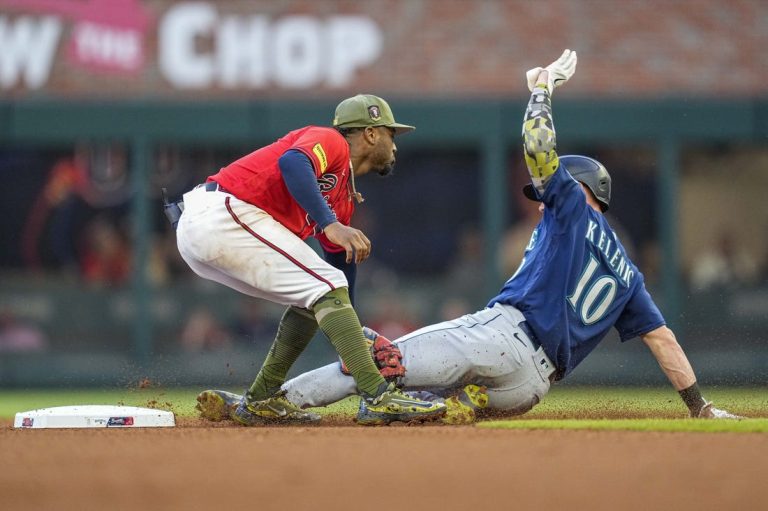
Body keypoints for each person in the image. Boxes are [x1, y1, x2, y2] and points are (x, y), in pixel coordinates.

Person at [195, 51, 740, 424]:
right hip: (531, 388)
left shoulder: (572, 205)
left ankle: (268, 402)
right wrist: (699, 406)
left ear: (579, 188)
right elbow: (664, 342)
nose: (541, 202)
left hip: (501, 335)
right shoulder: (629, 273)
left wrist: (541, 92)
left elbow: (538, 150)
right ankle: (441, 399)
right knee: (441, 404)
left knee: (385, 359)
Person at [175, 94, 446, 426]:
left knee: (315, 295)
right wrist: (329, 224)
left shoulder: (343, 198)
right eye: (391, 134)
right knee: (323, 286)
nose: (395, 145)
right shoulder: (331, 141)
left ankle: (261, 399)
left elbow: (337, 277)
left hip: (214, 231)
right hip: (222, 213)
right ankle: (378, 396)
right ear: (371, 134)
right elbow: (292, 162)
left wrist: (352, 333)